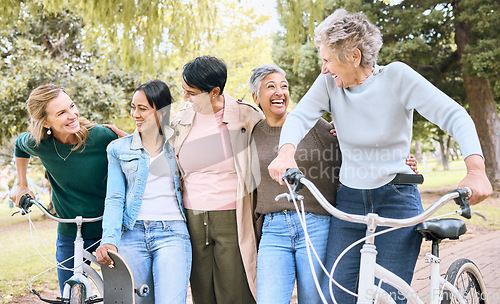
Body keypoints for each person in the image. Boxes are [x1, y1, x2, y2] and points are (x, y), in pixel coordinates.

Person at [268, 8, 492, 304]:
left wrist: (475, 168)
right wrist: (286, 154)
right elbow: (299, 118)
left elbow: (454, 115)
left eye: (327, 60)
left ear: (354, 57)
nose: (323, 69)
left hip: (396, 198)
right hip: (350, 198)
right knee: (334, 296)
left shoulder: (396, 77)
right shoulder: (329, 85)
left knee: (388, 297)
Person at [251, 65, 418, 304]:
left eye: (283, 86)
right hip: (273, 229)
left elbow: (358, 152)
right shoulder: (253, 134)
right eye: (270, 87)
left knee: (316, 299)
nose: (279, 92)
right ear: (255, 97)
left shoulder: (315, 126)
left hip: (315, 224)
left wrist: (400, 161)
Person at [9, 84, 119, 294]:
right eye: (61, 113)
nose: (72, 115)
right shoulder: (39, 143)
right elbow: (19, 146)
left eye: (72, 106)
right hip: (70, 232)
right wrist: (22, 184)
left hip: (109, 231)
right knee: (67, 293)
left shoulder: (101, 136)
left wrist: (128, 138)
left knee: (119, 294)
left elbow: (136, 155)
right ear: (44, 122)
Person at [171, 55, 263, 303]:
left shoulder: (248, 117)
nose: (185, 98)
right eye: (184, 91)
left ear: (214, 92)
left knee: (235, 292)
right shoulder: (180, 120)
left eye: (191, 93)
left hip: (233, 216)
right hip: (192, 215)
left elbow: (273, 142)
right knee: (202, 292)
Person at [96, 80, 191, 304]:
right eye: (133, 107)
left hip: (173, 234)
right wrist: (109, 239)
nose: (135, 114)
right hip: (132, 234)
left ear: (162, 111)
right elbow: (115, 198)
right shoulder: (118, 149)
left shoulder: (179, 143)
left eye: (143, 108)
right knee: (138, 301)